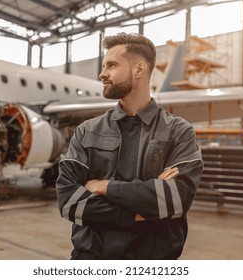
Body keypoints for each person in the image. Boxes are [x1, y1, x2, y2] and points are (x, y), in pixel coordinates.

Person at [55, 33, 203, 260]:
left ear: (139, 69)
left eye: (112, 65)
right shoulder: (87, 131)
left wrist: (103, 186)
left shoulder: (178, 132)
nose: (102, 73)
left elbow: (175, 199)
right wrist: (139, 212)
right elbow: (69, 201)